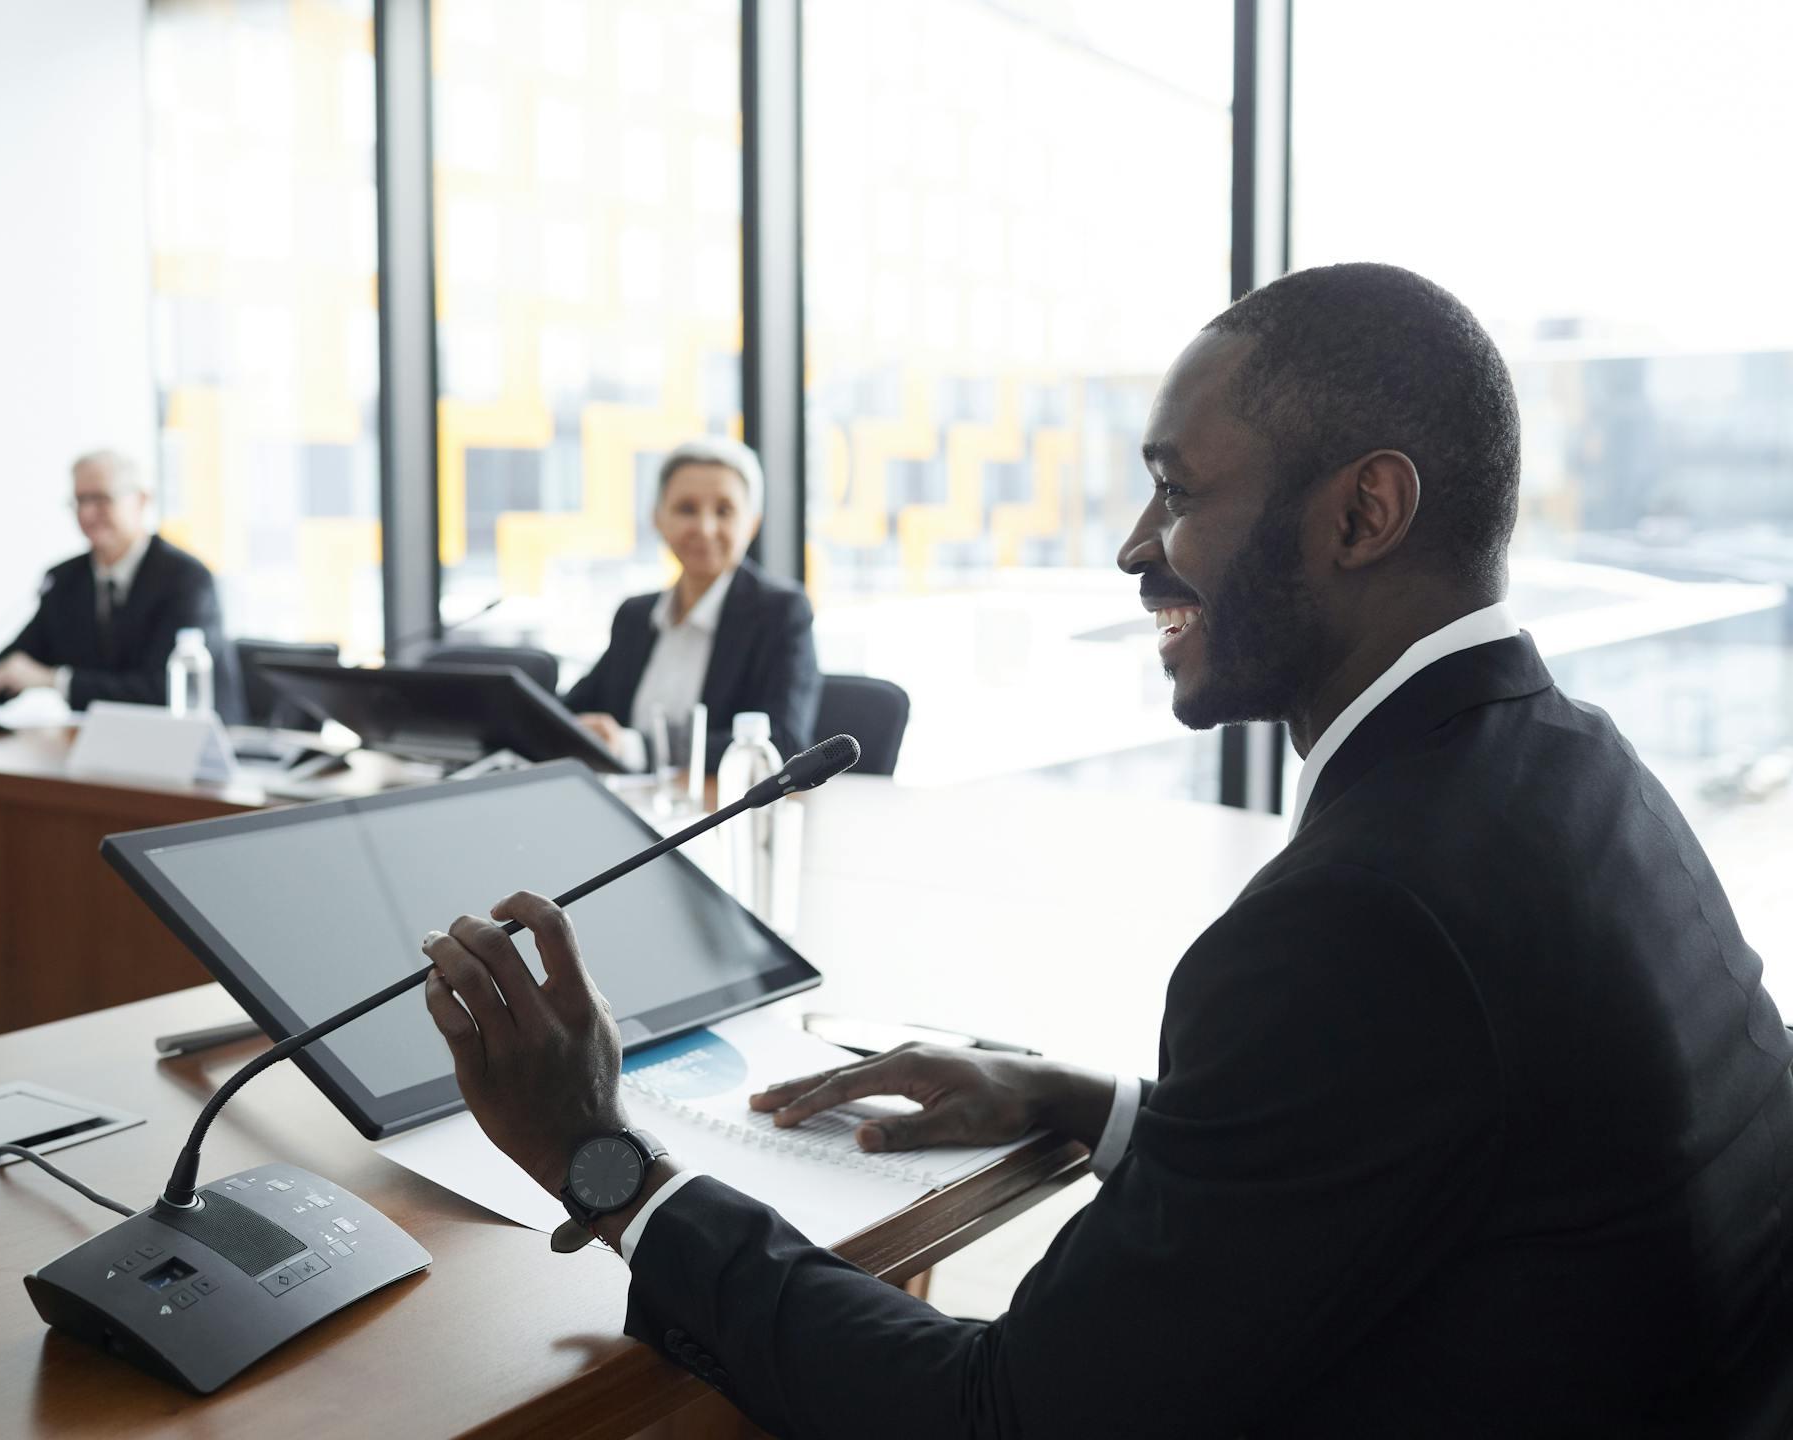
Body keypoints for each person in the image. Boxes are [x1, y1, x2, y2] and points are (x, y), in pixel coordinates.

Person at [414, 265, 1793, 1436]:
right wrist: (1080, 1104)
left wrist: (604, 1159)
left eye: (1177, 493)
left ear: (1362, 515)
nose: (1137, 548)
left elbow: (1002, 1414)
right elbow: (1400, 1154)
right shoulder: (1577, 767)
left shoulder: (1364, 914)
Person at [0, 450, 241, 717]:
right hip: (104, 758)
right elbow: (14, 667)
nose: (88, 514)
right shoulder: (66, 579)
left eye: (101, 499)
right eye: (80, 501)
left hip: (197, 760)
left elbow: (164, 691)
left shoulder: (186, 579)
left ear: (142, 501)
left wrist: (54, 680)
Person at [565, 437, 822, 766]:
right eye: (686, 509)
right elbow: (574, 709)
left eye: (724, 511)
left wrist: (640, 749)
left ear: (752, 523)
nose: (705, 527)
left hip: (717, 810)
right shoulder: (635, 615)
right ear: (658, 518)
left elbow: (784, 741)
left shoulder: (780, 613)